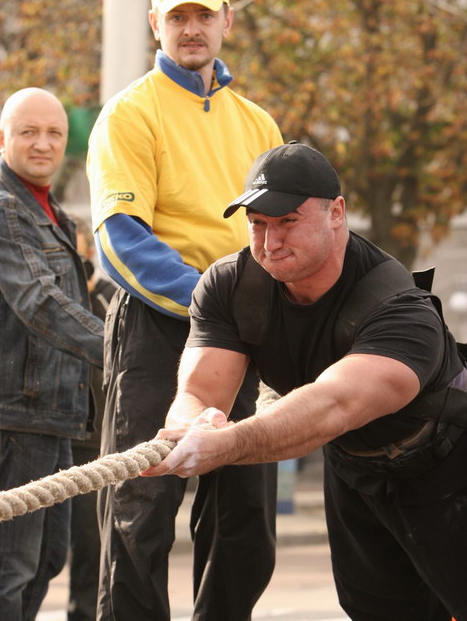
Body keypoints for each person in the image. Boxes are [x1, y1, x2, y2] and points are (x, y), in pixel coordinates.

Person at [144, 142, 467, 621]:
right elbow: (198, 392)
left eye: (288, 221)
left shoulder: (399, 309)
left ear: (336, 213)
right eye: (257, 223)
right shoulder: (229, 286)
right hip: (355, 467)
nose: (270, 241)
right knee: (376, 611)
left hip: (447, 465)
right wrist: (193, 428)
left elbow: (334, 403)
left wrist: (228, 444)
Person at [86, 0, 283, 618]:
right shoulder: (129, 113)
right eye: (178, 17)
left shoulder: (258, 123)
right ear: (155, 24)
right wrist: (213, 301)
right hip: (155, 327)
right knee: (139, 515)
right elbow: (122, 240)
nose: (191, 28)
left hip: (241, 329)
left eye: (203, 14)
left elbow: (279, 234)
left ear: (227, 21)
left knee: (245, 518)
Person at [0, 87, 104, 621]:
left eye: (54, 133)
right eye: (28, 132)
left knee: (45, 557)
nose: (43, 143)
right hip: (15, 412)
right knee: (9, 563)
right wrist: (118, 348)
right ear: (1, 138)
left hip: (51, 410)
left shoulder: (45, 208)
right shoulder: (0, 209)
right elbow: (40, 302)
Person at [68, 215, 116, 621]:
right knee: (39, 551)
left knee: (89, 546)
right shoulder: (51, 297)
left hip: (93, 442)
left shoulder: (109, 299)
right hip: (52, 430)